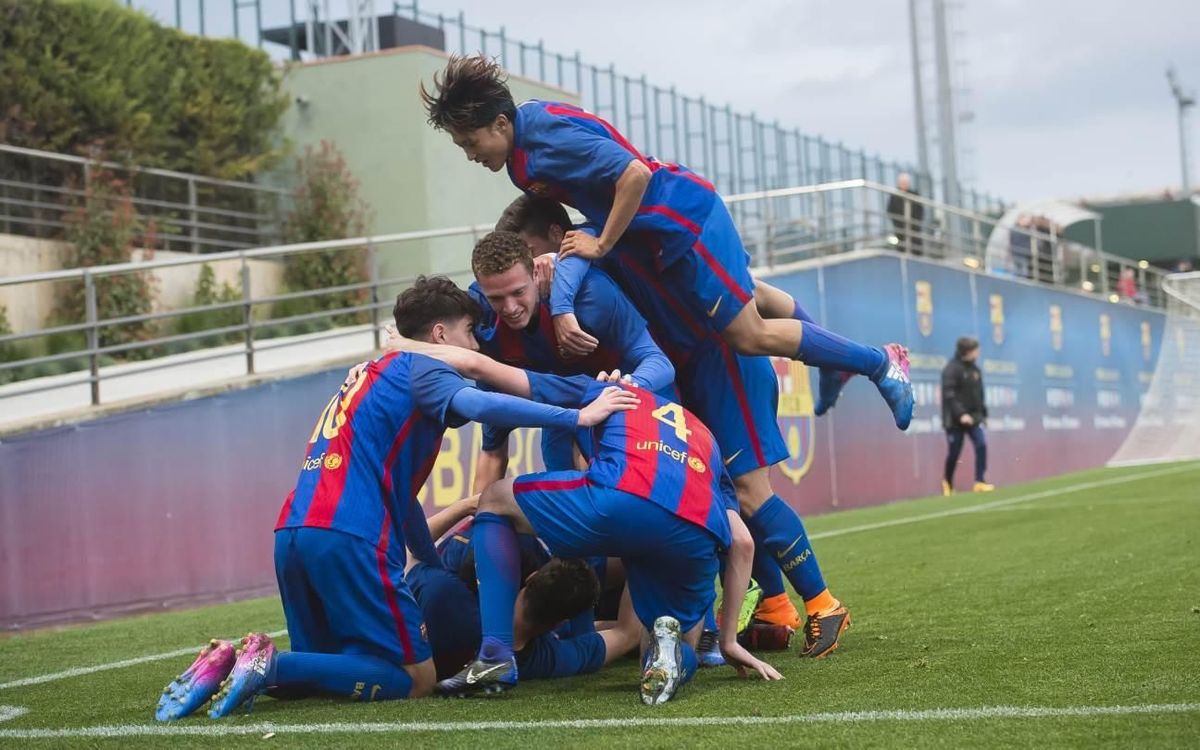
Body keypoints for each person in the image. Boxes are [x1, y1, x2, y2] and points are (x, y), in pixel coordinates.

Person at [154, 276, 638, 721]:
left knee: (324, 673)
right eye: (471, 331)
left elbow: (402, 499)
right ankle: (268, 660)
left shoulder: (370, 372)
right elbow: (480, 403)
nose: (475, 344)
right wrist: (576, 417)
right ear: (442, 335)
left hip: (295, 532)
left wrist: (428, 564)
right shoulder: (422, 368)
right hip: (351, 534)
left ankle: (235, 659)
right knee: (415, 681)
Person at [419, 55, 913, 433]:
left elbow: (634, 174)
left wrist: (601, 243)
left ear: (500, 124)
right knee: (747, 292)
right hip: (649, 235)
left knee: (749, 335)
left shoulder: (543, 136)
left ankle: (876, 361)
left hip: (680, 220)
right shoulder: (524, 151)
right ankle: (836, 365)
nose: (469, 155)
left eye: (470, 142)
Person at [496, 195, 852, 656]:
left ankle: (823, 604)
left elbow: (756, 291)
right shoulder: (585, 263)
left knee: (746, 491)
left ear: (554, 237)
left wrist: (829, 354)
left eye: (530, 251)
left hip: (723, 364)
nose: (530, 265)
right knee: (715, 497)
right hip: (681, 374)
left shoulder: (621, 240)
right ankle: (775, 604)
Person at [388, 337, 782, 703]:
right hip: (693, 531)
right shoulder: (704, 437)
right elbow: (743, 543)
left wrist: (403, 346)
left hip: (623, 498)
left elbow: (482, 366)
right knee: (669, 635)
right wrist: (729, 640)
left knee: (495, 499)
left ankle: (495, 653)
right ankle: (668, 654)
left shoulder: (603, 392)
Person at [467, 229, 674, 488]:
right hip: (565, 409)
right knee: (558, 474)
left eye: (518, 292)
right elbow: (492, 450)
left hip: (630, 398)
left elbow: (660, 363)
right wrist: (475, 521)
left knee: (647, 488)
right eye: (496, 298)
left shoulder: (591, 298)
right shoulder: (485, 326)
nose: (510, 308)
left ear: (536, 273)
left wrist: (625, 386)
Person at [407, 497, 643, 683]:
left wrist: (464, 506)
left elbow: (407, 554)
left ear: (529, 578)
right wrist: (649, 546)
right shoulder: (545, 660)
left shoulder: (450, 593)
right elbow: (627, 634)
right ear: (557, 625)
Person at [941, 336, 993, 495]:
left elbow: (980, 395)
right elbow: (949, 395)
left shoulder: (975, 370)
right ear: (967, 351)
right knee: (954, 453)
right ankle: (948, 483)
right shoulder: (951, 369)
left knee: (981, 444)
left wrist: (984, 415)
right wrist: (961, 414)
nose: (978, 353)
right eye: (975, 350)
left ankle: (980, 481)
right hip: (955, 420)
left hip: (974, 418)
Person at [886, 173, 924, 256]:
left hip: (914, 229)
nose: (904, 185)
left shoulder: (914, 195)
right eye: (902, 183)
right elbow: (890, 211)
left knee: (916, 248)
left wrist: (915, 224)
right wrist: (898, 223)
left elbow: (920, 211)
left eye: (905, 183)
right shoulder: (894, 196)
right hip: (900, 229)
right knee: (901, 248)